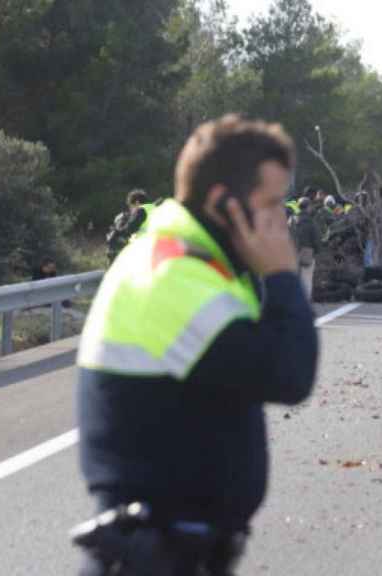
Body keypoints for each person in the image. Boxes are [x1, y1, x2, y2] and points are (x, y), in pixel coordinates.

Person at [73, 115, 318, 575]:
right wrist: (283, 275)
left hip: (175, 546)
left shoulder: (194, 260)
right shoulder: (175, 278)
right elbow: (290, 373)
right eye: (270, 203)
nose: (280, 220)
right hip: (155, 554)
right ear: (224, 203)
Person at [291, 197, 320, 301]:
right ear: (308, 207)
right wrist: (317, 251)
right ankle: (306, 302)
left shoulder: (291, 219)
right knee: (307, 278)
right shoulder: (311, 221)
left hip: (292, 251)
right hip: (307, 251)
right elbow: (316, 239)